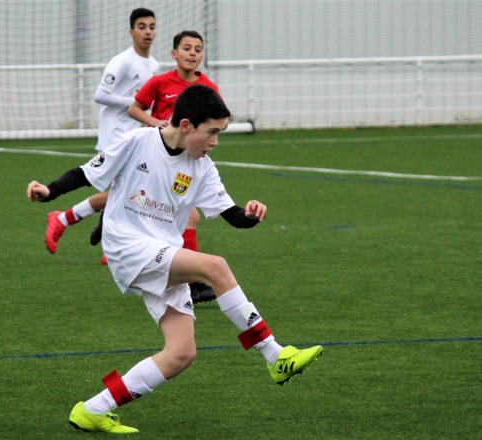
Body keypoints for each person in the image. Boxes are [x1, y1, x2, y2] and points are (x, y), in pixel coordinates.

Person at [27, 84, 323, 434]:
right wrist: (49, 192)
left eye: (220, 133)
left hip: (162, 253)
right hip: (127, 245)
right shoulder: (138, 142)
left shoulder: (203, 167)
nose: (215, 141)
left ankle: (93, 409)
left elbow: (232, 214)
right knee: (216, 267)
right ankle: (275, 356)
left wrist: (251, 214)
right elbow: (86, 172)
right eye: (211, 132)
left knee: (181, 353)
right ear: (186, 125)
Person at [44, 8, 160, 265]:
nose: (148, 31)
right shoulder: (123, 61)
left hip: (137, 135)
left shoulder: (153, 65)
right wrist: (135, 102)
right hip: (115, 135)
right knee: (130, 191)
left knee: (132, 191)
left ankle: (93, 230)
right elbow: (100, 94)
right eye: (142, 27)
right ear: (132, 32)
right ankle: (78, 225)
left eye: (151, 26)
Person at [127, 30, 220, 303]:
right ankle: (190, 282)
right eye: (187, 48)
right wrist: (158, 124)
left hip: (186, 163)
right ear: (174, 54)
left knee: (180, 217)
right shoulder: (159, 82)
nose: (193, 53)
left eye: (198, 49)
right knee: (180, 216)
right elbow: (134, 109)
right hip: (158, 159)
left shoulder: (208, 88)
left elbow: (213, 123)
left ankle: (180, 280)